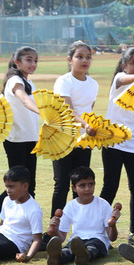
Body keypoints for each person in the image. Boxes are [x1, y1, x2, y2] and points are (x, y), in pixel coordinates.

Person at [0, 46, 40, 228]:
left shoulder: (30, 83)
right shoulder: (15, 80)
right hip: (16, 141)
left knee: (29, 187)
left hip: (30, 140)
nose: (33, 64)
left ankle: (17, 225)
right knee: (15, 187)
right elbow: (23, 98)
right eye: (28, 60)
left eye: (36, 60)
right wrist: (43, 111)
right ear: (17, 62)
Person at [99, 46, 134, 249]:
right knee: (110, 186)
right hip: (113, 141)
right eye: (133, 63)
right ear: (124, 65)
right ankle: (97, 227)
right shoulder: (119, 79)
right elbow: (128, 79)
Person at [51, 40, 99, 214]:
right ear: (69, 59)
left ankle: (78, 227)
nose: (84, 60)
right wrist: (86, 125)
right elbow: (68, 111)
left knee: (80, 184)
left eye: (88, 57)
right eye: (79, 57)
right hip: (63, 138)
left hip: (83, 139)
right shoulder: (64, 81)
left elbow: (88, 110)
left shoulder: (93, 84)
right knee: (62, 184)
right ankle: (54, 230)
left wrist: (90, 127)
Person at [46, 166, 120, 265]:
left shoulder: (103, 204)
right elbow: (62, 238)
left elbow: (112, 238)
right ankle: (57, 258)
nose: (87, 189)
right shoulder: (70, 206)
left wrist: (113, 224)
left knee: (93, 248)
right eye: (82, 185)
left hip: (98, 239)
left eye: (91, 184)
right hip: (77, 240)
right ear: (74, 188)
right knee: (68, 249)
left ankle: (85, 256)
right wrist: (56, 228)